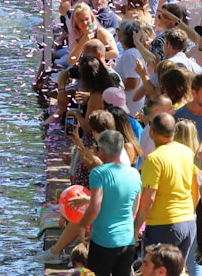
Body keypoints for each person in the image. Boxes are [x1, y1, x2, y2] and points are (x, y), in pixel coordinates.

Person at [134, 112, 200, 267]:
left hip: (163, 225)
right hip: (188, 224)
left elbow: (148, 198)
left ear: (152, 131)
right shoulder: (187, 152)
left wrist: (136, 227)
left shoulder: (154, 159)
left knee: (155, 270)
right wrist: (190, 213)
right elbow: (196, 188)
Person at [74, 129, 141, 276]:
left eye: (98, 148)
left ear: (102, 150)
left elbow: (94, 207)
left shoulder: (98, 173)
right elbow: (134, 209)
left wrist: (82, 225)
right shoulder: (135, 174)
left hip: (104, 241)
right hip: (127, 240)